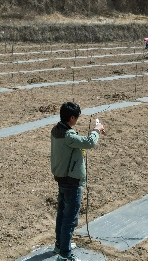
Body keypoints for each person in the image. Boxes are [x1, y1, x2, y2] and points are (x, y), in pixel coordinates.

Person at [51, 102, 105, 261]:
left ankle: (60, 244)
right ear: (72, 118)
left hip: (62, 178)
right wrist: (96, 130)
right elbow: (89, 142)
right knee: (70, 219)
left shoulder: (56, 130)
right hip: (72, 181)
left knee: (62, 214)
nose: (77, 120)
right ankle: (64, 255)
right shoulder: (68, 136)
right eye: (77, 117)